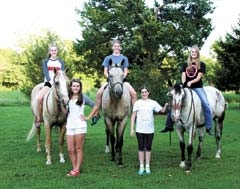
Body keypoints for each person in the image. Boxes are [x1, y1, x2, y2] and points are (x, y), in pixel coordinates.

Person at [160, 45, 214, 135]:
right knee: (174, 100)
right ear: (190, 53)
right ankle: (168, 125)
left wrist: (191, 82)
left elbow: (199, 77)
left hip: (197, 87)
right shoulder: (185, 64)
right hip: (186, 86)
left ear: (197, 54)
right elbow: (183, 76)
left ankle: (209, 126)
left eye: (195, 52)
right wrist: (185, 83)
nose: (193, 53)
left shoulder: (201, 64)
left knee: (205, 103)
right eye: (192, 52)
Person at [86, 39, 137, 120]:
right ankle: (96, 113)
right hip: (110, 81)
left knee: (134, 94)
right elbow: (105, 71)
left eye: (118, 46)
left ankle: (135, 114)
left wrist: (121, 78)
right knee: (99, 93)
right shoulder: (107, 58)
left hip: (122, 81)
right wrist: (110, 78)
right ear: (112, 47)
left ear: (120, 47)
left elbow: (126, 71)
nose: (116, 47)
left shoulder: (124, 58)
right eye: (115, 46)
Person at [130, 87, 168, 175]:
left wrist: (166, 105)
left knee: (148, 148)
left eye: (145, 92)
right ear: (140, 94)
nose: (144, 94)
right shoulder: (137, 103)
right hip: (139, 129)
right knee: (140, 148)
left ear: (148, 93)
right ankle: (141, 166)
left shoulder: (153, 103)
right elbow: (133, 116)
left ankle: (147, 166)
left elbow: (162, 110)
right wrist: (132, 128)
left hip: (150, 129)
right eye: (142, 92)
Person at [66, 78, 96, 177]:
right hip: (69, 125)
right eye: (74, 86)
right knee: (70, 149)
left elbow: (95, 106)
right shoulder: (67, 97)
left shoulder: (83, 97)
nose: (75, 88)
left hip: (80, 126)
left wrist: (88, 117)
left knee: (78, 148)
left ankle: (76, 170)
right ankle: (74, 168)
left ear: (80, 87)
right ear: (71, 87)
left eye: (77, 86)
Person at [35, 44, 65, 127]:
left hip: (59, 84)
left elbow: (62, 73)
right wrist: (51, 81)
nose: (53, 52)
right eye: (52, 50)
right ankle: (38, 118)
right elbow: (46, 73)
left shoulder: (61, 62)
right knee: (39, 98)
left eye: (55, 50)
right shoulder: (46, 61)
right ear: (49, 52)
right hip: (49, 83)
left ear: (57, 51)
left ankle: (66, 117)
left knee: (66, 98)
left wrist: (59, 82)